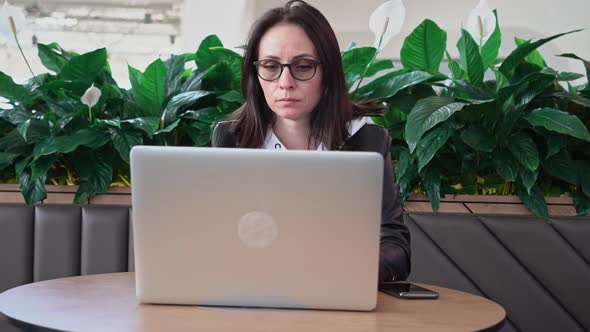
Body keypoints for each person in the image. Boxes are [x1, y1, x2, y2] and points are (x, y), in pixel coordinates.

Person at [212, 0, 411, 282]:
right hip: (254, 295)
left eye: (303, 66)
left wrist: (337, 271)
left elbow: (397, 249)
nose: (285, 82)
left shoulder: (366, 140)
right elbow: (217, 239)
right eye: (270, 66)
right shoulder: (231, 140)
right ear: (256, 75)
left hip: (337, 294)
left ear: (327, 73)